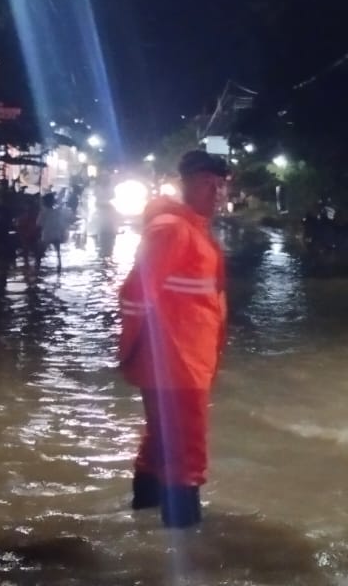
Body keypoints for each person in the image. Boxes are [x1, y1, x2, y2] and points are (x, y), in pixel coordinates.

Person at [116, 151, 230, 528]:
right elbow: (135, 293)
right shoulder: (173, 229)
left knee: (161, 442)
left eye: (220, 185)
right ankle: (185, 544)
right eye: (205, 184)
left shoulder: (191, 228)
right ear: (185, 184)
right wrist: (132, 351)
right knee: (186, 452)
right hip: (176, 362)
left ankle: (145, 525)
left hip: (184, 360)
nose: (215, 192)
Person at [40, 194, 73, 272]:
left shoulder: (43, 212)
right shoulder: (56, 212)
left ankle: (37, 267)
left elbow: (39, 223)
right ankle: (59, 266)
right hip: (56, 235)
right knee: (58, 253)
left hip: (46, 235)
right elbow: (61, 223)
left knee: (40, 253)